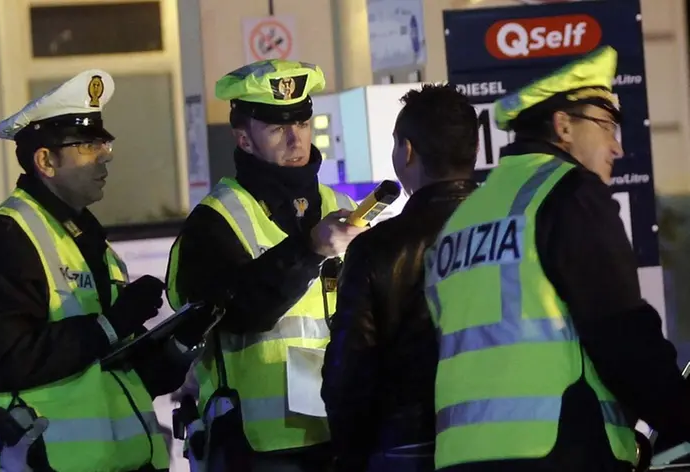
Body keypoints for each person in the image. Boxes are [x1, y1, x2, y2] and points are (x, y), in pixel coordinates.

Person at [424, 45, 690, 472]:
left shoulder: (465, 217)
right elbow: (619, 329)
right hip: (561, 446)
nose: (617, 147)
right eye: (606, 126)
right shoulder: (568, 191)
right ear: (563, 126)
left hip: (463, 455)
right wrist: (680, 418)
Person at [0, 69, 188, 472]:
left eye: (103, 142)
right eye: (87, 145)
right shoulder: (3, 241)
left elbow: (111, 370)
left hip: (123, 460)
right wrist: (110, 326)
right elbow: (6, 361)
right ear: (45, 160)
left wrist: (179, 343)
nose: (105, 155)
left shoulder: (86, 236)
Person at [165, 59, 364, 471]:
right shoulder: (215, 221)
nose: (296, 140)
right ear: (244, 139)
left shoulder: (340, 207)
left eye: (303, 123)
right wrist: (310, 250)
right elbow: (241, 311)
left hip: (343, 430)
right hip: (256, 446)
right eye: (277, 129)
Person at [322, 84, 479, 472]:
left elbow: (350, 373)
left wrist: (349, 452)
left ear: (406, 151)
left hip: (405, 444)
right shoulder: (511, 231)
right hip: (493, 435)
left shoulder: (377, 248)